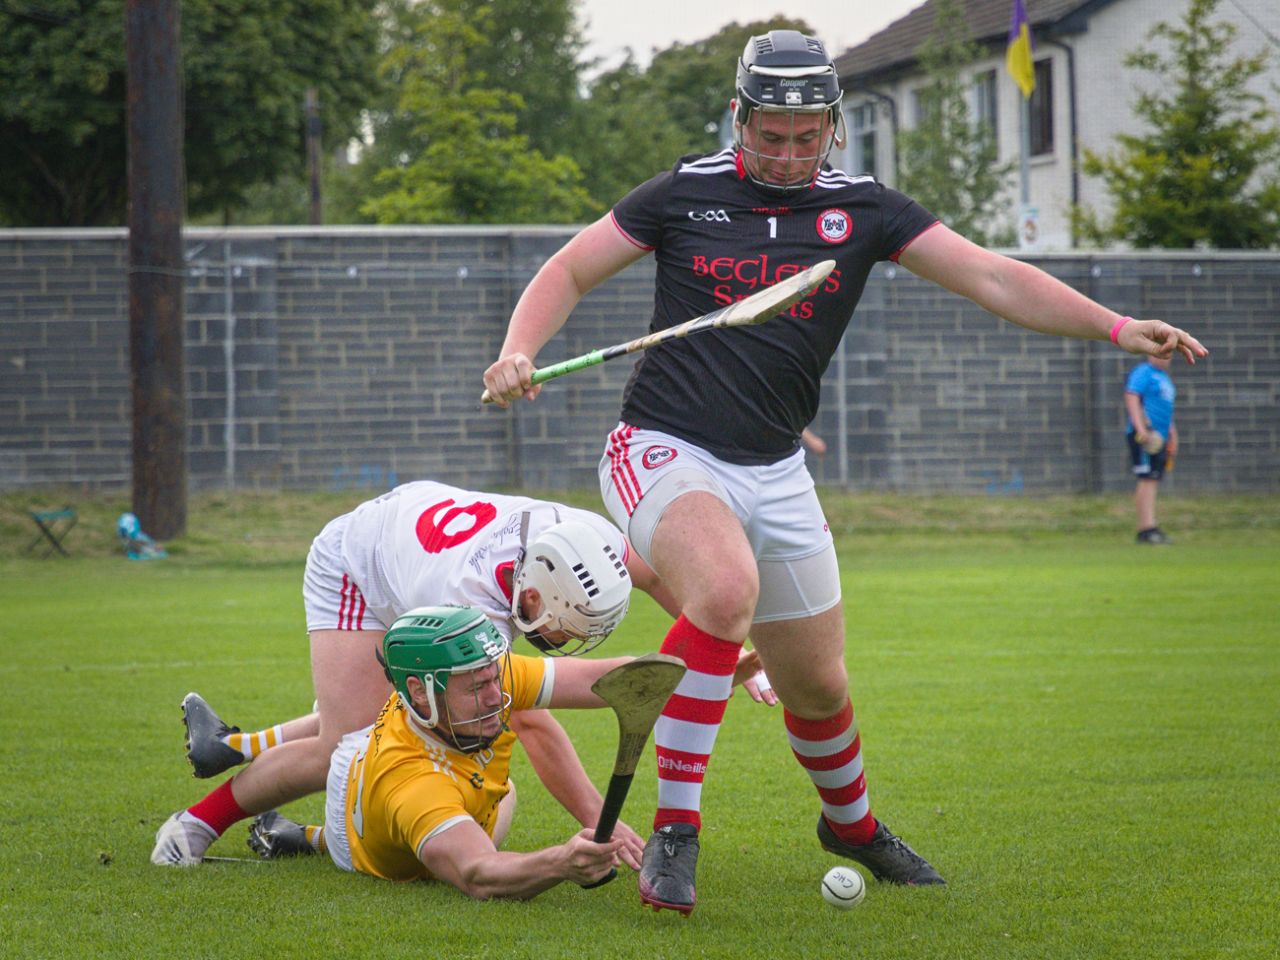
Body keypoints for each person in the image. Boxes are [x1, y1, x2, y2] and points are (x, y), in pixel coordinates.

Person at [482, 29, 1208, 914]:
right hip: (664, 448)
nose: (787, 154)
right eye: (770, 134)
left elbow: (991, 277)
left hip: (777, 467)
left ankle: (852, 825)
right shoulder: (684, 193)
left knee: (818, 684)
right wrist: (519, 349)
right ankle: (677, 828)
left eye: (807, 135)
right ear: (741, 118)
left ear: (831, 128)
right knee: (721, 592)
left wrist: (1113, 325)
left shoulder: (866, 210)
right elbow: (568, 269)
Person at [151, 480, 679, 867]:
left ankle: (238, 751)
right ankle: (195, 825)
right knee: (346, 743)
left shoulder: (590, 540)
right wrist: (599, 821)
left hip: (412, 538)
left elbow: (653, 573)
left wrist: (716, 650)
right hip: (357, 564)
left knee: (405, 722)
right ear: (534, 594)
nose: (567, 643)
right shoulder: (467, 605)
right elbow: (528, 720)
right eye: (565, 628)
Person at [247, 606, 760, 900]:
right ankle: (311, 837)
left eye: (495, 676)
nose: (496, 696)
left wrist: (728, 670)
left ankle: (283, 817)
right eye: (477, 687)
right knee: (481, 827)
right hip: (358, 821)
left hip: (431, 769)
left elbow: (616, 678)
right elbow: (478, 875)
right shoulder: (410, 786)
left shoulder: (486, 677)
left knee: (500, 791)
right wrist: (562, 861)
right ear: (420, 693)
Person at [1124, 356, 1178, 544]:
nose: (1165, 358)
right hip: (1146, 436)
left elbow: (1165, 409)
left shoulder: (1163, 377)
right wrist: (1141, 429)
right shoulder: (1144, 372)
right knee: (1146, 479)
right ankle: (1146, 529)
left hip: (1160, 436)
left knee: (1153, 479)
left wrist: (1172, 434)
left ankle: (1150, 525)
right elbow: (1132, 396)